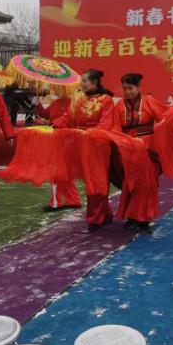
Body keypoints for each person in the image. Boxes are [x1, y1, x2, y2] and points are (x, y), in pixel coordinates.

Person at [52, 69, 118, 231]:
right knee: (90, 181)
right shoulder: (78, 98)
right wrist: (55, 124)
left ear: (94, 82)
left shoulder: (106, 100)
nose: (81, 84)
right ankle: (105, 214)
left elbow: (105, 125)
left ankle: (95, 218)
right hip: (80, 144)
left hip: (98, 146)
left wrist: (89, 134)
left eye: (84, 81)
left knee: (97, 181)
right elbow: (67, 117)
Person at [114, 73, 169, 233]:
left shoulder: (149, 101)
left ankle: (144, 219)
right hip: (128, 149)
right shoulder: (119, 106)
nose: (127, 92)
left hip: (148, 149)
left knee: (147, 183)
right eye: (125, 88)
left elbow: (165, 117)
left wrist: (162, 129)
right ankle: (131, 217)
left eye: (130, 88)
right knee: (130, 182)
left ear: (138, 88)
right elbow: (115, 127)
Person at [34, 91, 79, 211]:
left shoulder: (72, 103)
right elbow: (45, 114)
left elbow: (66, 120)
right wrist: (38, 105)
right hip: (56, 138)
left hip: (66, 140)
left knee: (56, 171)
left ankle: (56, 202)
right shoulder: (57, 102)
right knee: (65, 173)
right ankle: (73, 200)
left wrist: (50, 123)